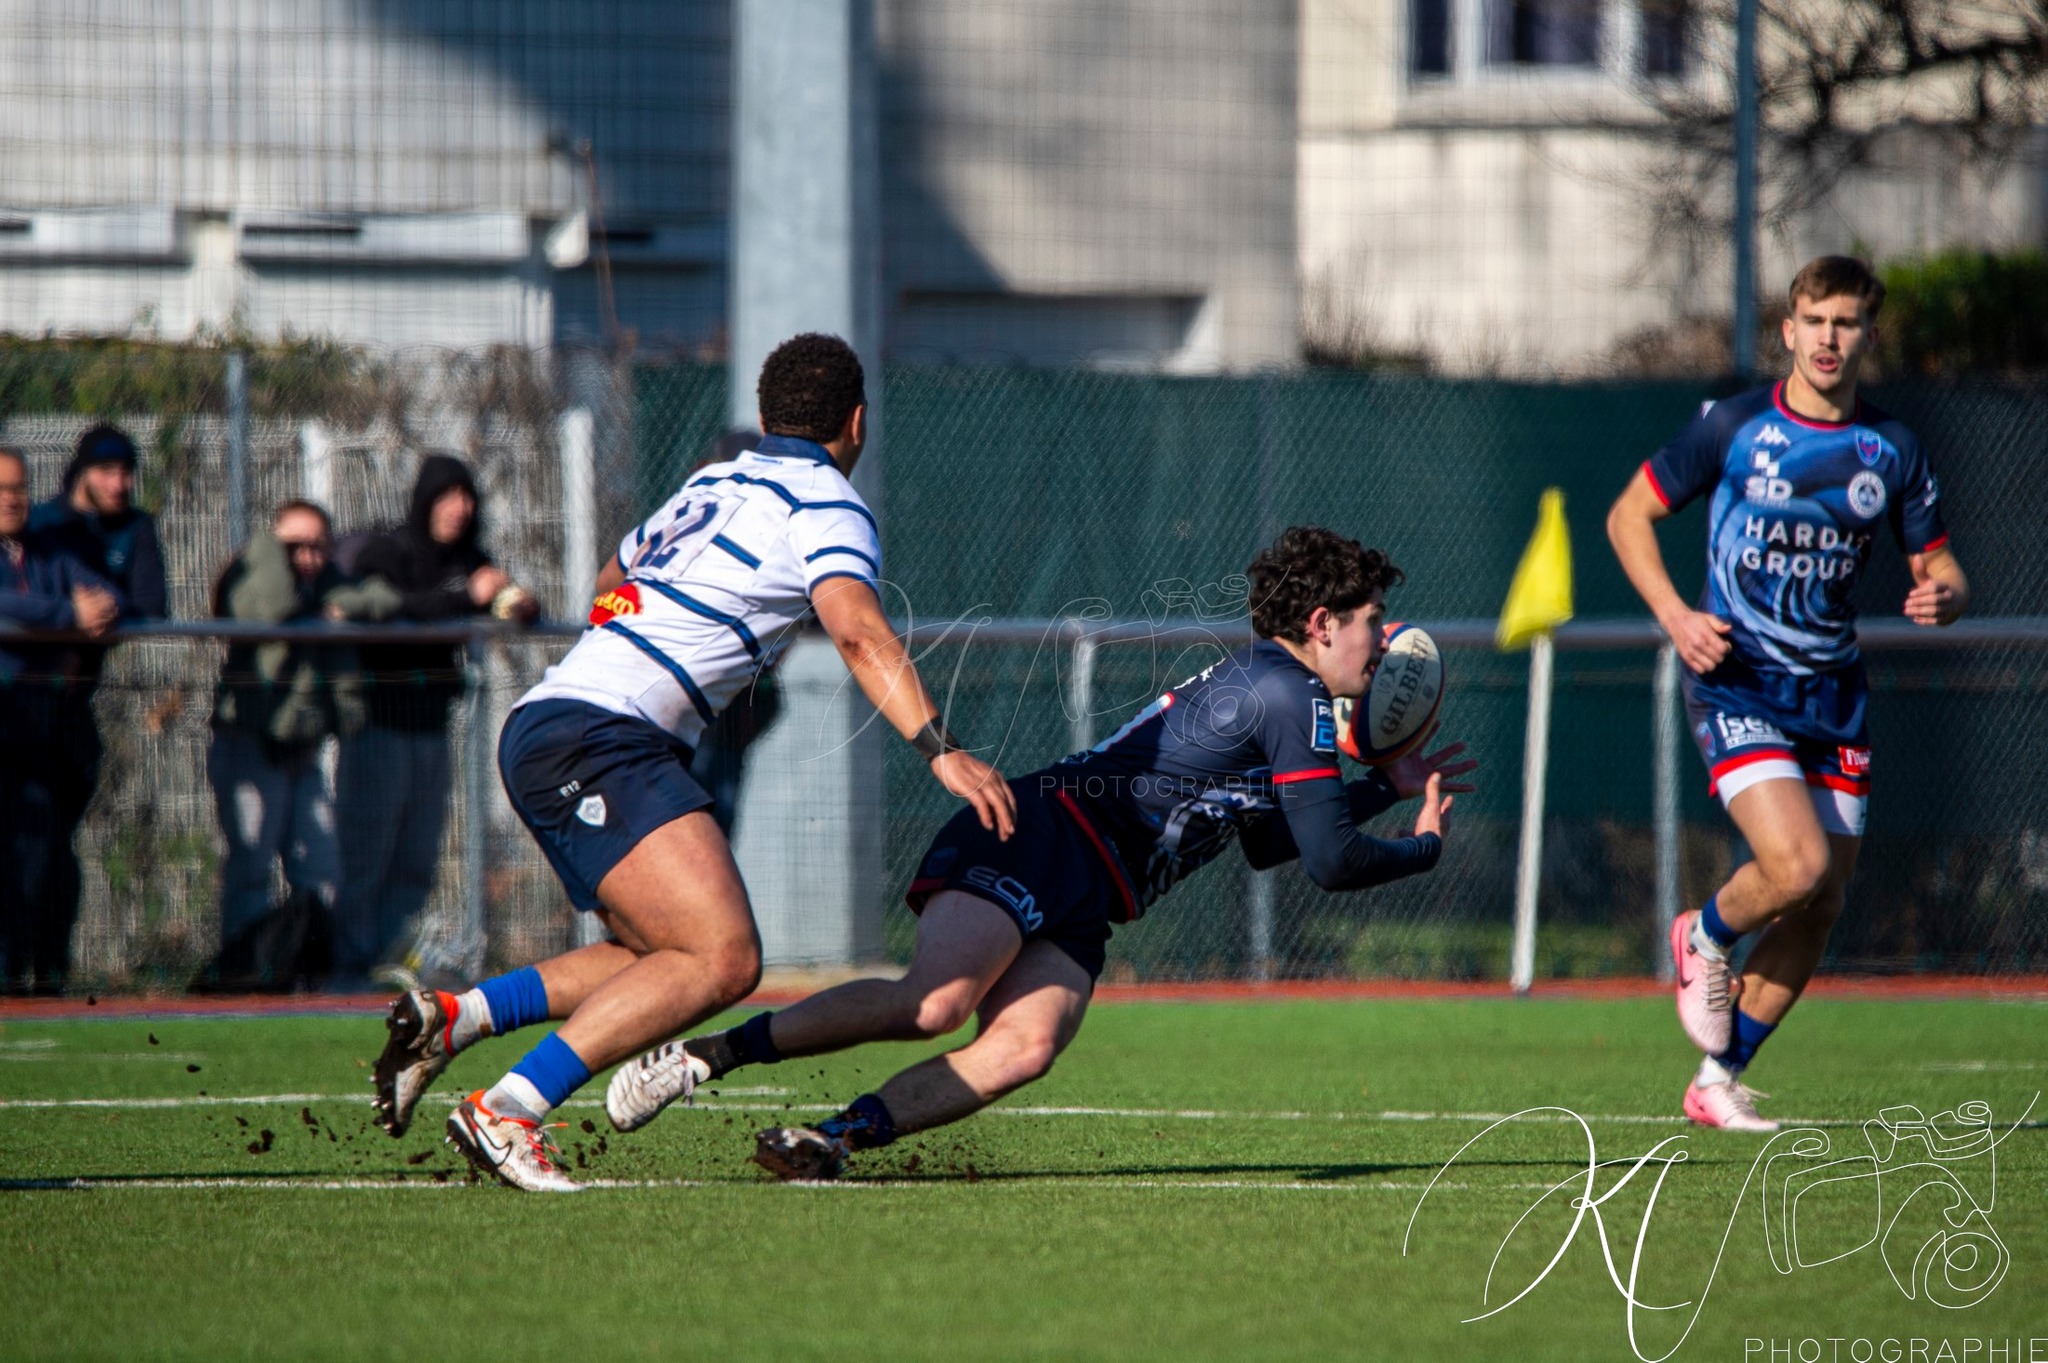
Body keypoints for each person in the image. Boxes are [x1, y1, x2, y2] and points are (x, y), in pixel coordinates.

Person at [614, 525, 1476, 1181]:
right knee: (935, 1002)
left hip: (1093, 886)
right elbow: (1329, 861)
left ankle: (834, 1137)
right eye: (1372, 624)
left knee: (1026, 1045)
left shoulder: (1283, 687)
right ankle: (707, 1055)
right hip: (1044, 834)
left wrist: (1381, 792)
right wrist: (1423, 846)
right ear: (1322, 624)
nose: (1382, 644)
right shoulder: (1295, 694)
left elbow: (1264, 842)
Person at [369, 332, 1017, 1192]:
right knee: (723, 959)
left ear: (764, 415)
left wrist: (646, 646)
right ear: (858, 421)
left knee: (659, 957)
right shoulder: (826, 501)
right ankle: (508, 1109)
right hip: (603, 735)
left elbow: (610, 577)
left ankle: (453, 1017)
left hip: (560, 720)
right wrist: (940, 746)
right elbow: (859, 631)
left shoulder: (717, 478)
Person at [1606, 255, 1969, 1132]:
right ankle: (1703, 936)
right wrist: (1674, 615)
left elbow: (1940, 562)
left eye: (1846, 323)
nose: (1829, 338)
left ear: (1868, 335)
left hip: (1833, 694)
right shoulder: (1732, 428)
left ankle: (1717, 1078)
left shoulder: (1891, 450)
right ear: (1789, 328)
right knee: (1795, 865)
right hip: (1739, 680)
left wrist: (1947, 592)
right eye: (1814, 321)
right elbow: (1628, 516)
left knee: (1823, 901)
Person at [332, 454, 539, 990]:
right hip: (379, 724)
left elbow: (497, 600)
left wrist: (518, 605)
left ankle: (385, 961)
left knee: (417, 857)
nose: (459, 509)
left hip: (431, 727)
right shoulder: (389, 550)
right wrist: (462, 598)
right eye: (447, 496)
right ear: (425, 501)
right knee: (368, 854)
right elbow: (386, 608)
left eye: (466, 497)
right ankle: (348, 967)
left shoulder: (468, 558)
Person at [202, 501, 399, 989]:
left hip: (302, 752)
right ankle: (242, 976)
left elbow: (384, 599)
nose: (309, 557)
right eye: (295, 546)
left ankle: (312, 977)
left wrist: (337, 607)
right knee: (252, 866)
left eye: (319, 546)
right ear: (273, 543)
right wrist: (272, 549)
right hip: (250, 745)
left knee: (322, 869)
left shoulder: (328, 583)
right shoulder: (257, 571)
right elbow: (267, 609)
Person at [22, 425, 163, 993]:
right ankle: (16, 963)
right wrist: (65, 614)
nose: (119, 483)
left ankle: (50, 968)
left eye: (126, 471)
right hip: (23, 705)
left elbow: (148, 603)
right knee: (23, 842)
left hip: (75, 708)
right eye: (106, 470)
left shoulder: (134, 528)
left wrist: (101, 608)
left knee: (58, 843)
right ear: (81, 471)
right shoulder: (44, 525)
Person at [0, 446, 122, 994]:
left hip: (43, 731)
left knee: (45, 854)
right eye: (2, 489)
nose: (13, 499)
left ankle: (43, 972)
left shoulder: (45, 552)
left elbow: (112, 597)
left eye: (20, 487)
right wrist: (64, 616)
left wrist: (80, 614)